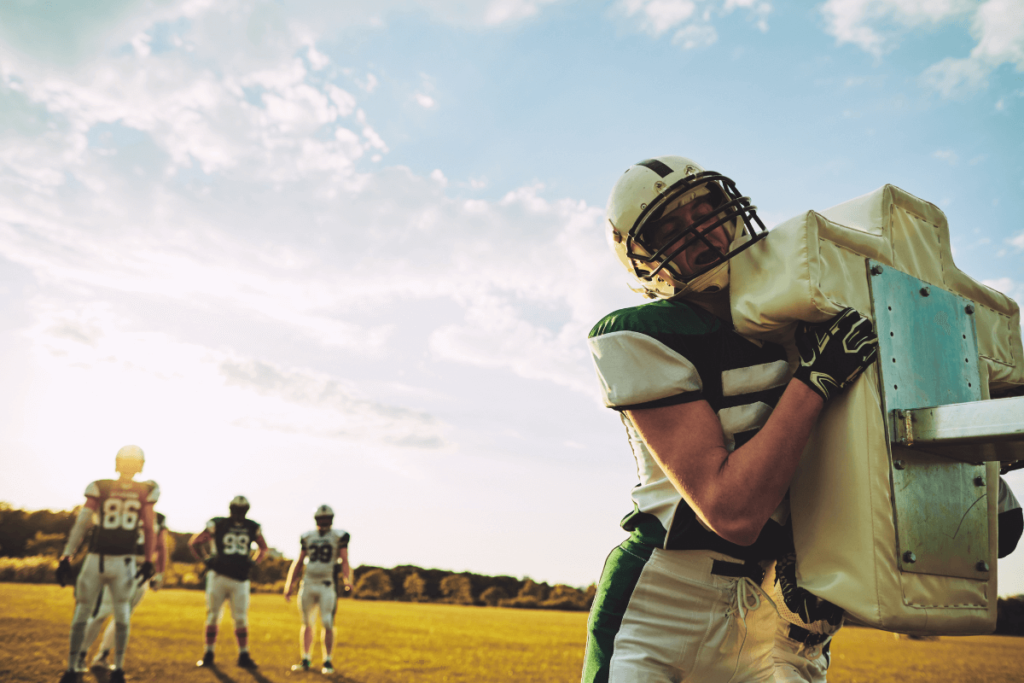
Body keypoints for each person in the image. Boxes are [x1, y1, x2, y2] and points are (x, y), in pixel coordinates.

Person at [581, 156, 879, 683]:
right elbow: (732, 511)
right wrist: (814, 381)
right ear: (645, 260)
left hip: (784, 614)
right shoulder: (642, 333)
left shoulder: (810, 315)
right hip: (666, 603)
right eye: (670, 228)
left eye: (706, 210)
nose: (700, 231)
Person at [55, 445, 159, 683]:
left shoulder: (101, 486)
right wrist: (150, 560)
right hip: (123, 562)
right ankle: (118, 667)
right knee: (121, 614)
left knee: (83, 612)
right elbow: (150, 527)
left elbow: (83, 522)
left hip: (97, 559)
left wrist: (67, 554)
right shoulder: (145, 490)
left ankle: (73, 666)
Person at [76, 510, 169, 675]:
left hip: (123, 566)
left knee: (105, 614)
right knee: (118, 615)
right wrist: (160, 573)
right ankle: (97, 655)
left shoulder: (123, 510)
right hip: (134, 568)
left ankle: (87, 655)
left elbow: (161, 546)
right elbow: (161, 547)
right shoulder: (155, 517)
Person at [188, 495, 268, 669]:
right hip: (220, 576)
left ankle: (243, 654)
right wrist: (207, 559)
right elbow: (194, 542)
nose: (239, 514)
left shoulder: (247, 526)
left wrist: (254, 561)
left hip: (237, 577)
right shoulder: (221, 524)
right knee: (214, 615)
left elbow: (263, 548)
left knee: (238, 618)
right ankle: (209, 653)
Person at [284, 504, 353, 674]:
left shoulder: (338, 536)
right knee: (307, 622)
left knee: (328, 622)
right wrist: (289, 584)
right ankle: (305, 658)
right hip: (308, 583)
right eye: (321, 519)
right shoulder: (308, 536)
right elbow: (299, 561)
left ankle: (327, 661)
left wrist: (347, 579)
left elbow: (344, 559)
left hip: (327, 584)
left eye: (326, 519)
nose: (323, 522)